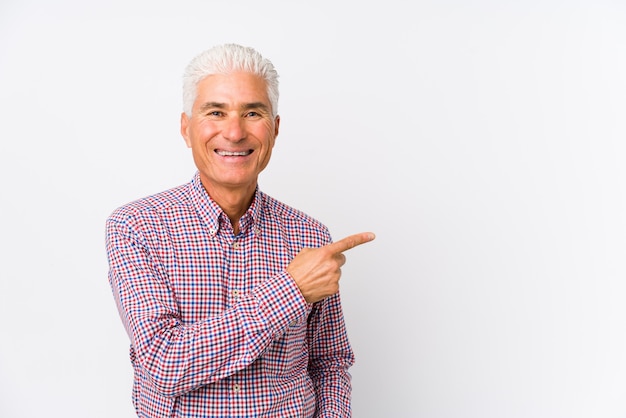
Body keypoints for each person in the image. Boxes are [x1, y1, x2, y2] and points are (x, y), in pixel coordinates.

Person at [105, 43, 375, 417]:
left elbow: (329, 363)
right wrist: (291, 290)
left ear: (275, 129)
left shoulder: (311, 236)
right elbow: (164, 363)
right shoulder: (136, 227)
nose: (234, 132)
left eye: (253, 112)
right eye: (216, 112)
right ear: (186, 128)